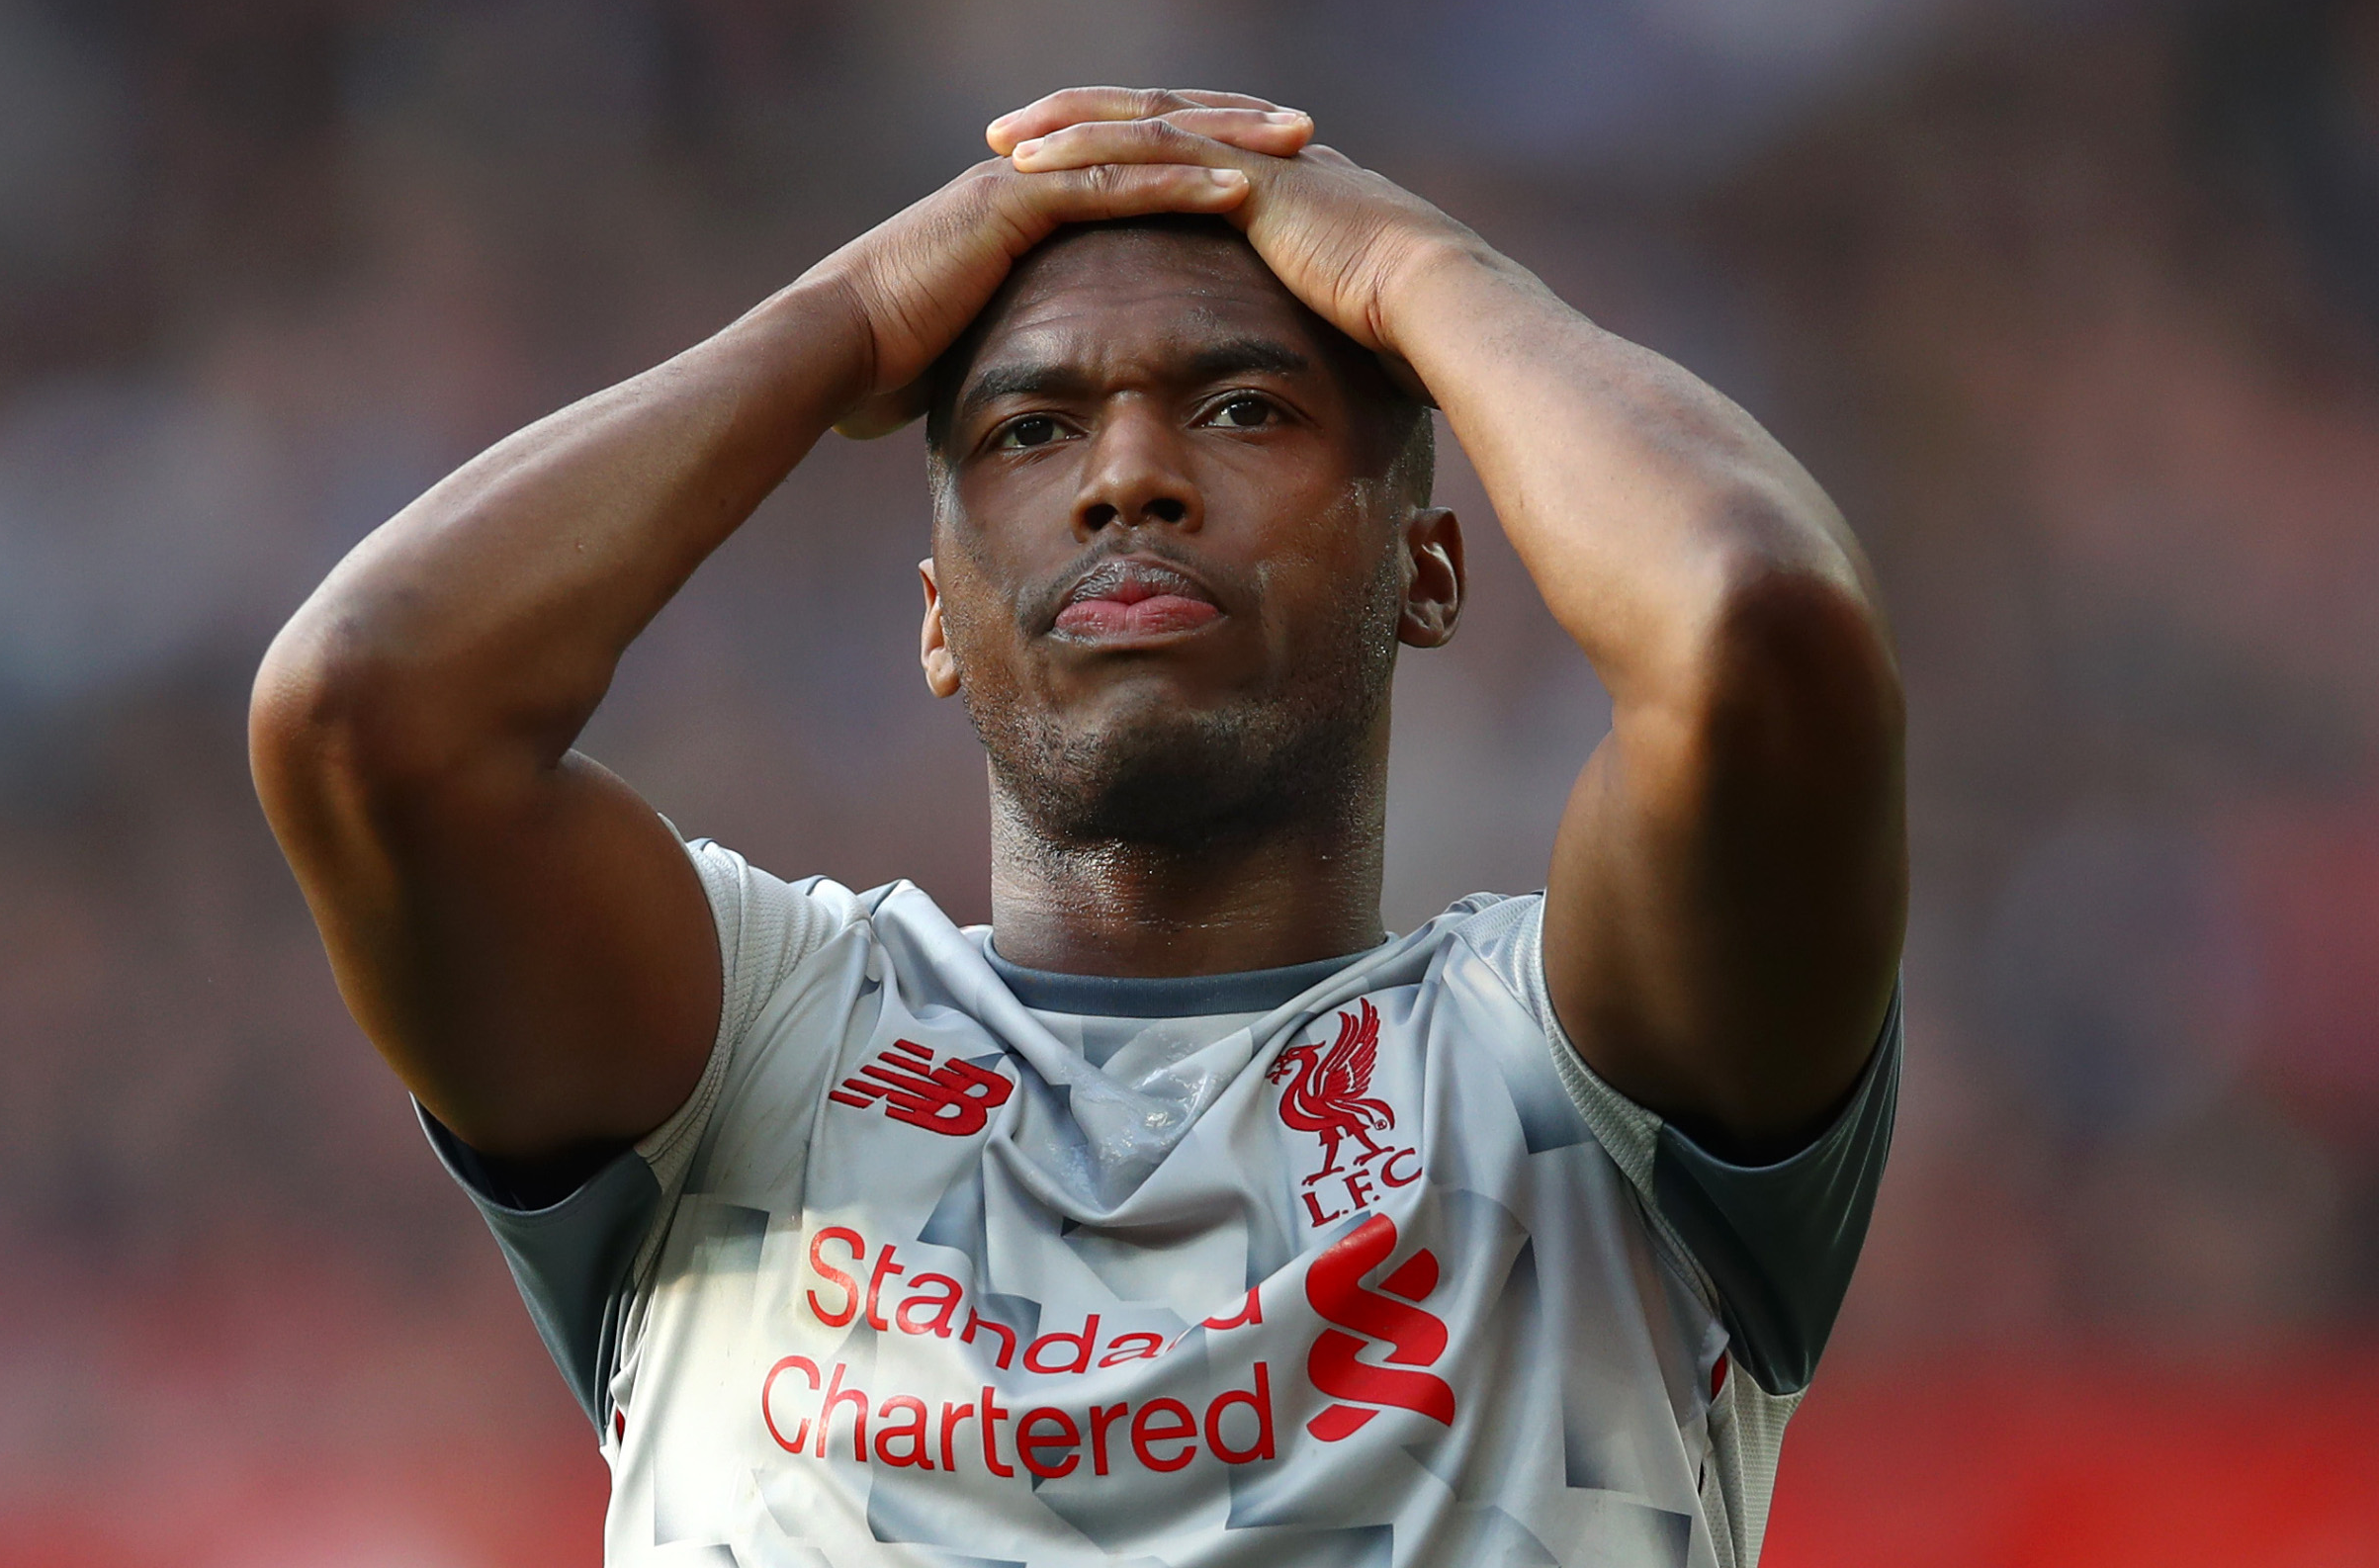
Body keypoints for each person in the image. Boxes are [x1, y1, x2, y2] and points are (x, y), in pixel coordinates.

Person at [250, 86, 1904, 1568]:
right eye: (1029, 429)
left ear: (1427, 572)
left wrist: (1421, 278)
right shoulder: (750, 1059)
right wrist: (841, 317)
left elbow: (1750, 630)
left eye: (1246, 409)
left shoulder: (1580, 1088)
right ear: (935, 619)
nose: (1128, 477)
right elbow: (368, 711)